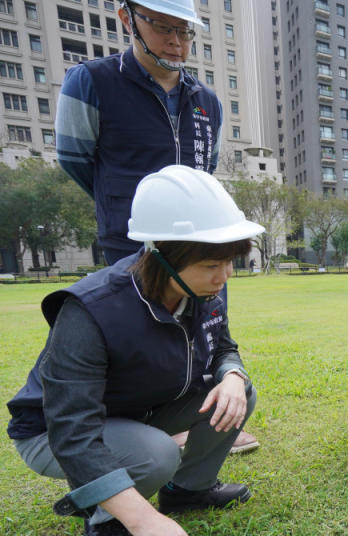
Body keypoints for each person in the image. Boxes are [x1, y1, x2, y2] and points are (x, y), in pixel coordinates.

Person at [6, 166, 264, 536]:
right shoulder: (92, 309)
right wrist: (143, 520)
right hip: (53, 430)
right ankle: (105, 522)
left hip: (139, 408)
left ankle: (188, 491)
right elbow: (72, 430)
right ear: (161, 253)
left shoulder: (203, 286)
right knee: (155, 454)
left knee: (239, 391)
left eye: (231, 262)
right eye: (213, 263)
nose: (226, 275)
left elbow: (222, 346)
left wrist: (232, 374)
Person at [55, 0, 259, 453]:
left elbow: (206, 170)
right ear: (129, 19)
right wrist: (126, 210)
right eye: (164, 28)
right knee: (142, 336)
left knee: (207, 333)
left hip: (202, 242)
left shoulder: (206, 101)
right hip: (132, 240)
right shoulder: (91, 81)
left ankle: (203, 419)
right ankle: (138, 433)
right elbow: (75, 159)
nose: (177, 42)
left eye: (186, 32)